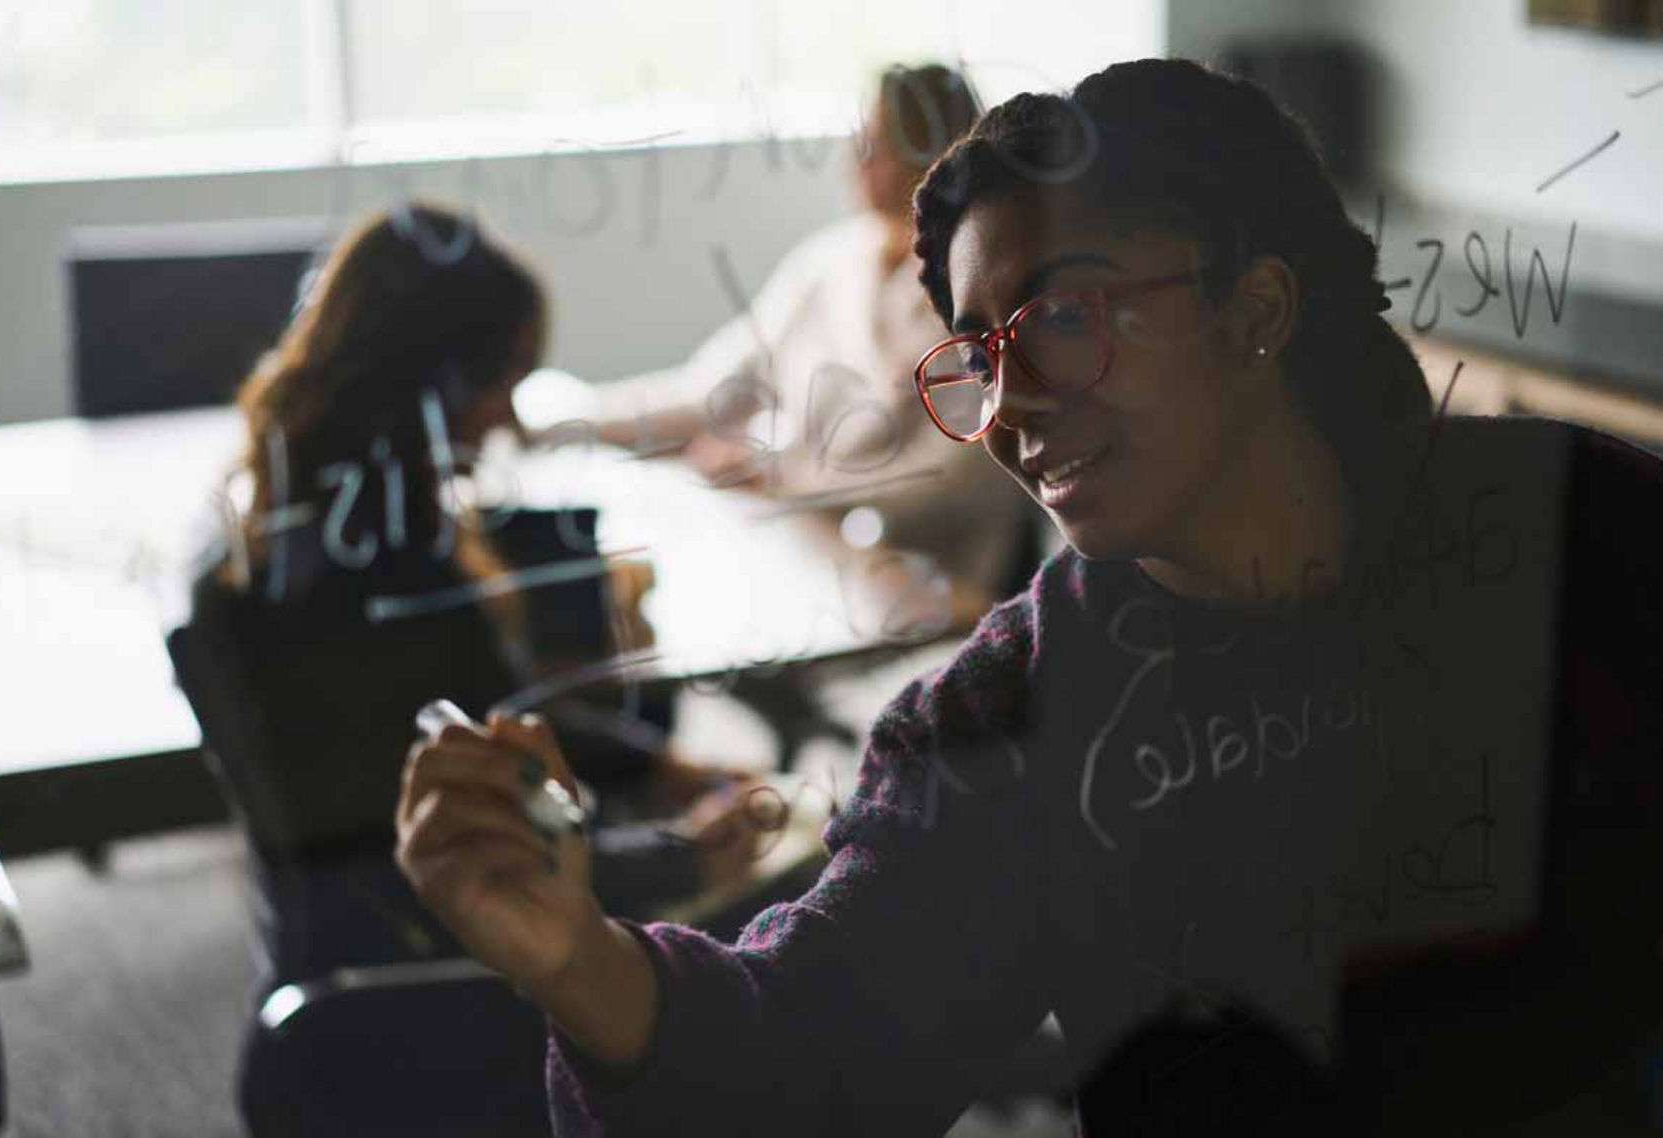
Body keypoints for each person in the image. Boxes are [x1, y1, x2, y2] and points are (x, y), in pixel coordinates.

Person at [393, 61, 1637, 1134]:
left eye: (1068, 318)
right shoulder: (1022, 704)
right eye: (981, 355)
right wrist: (580, 958)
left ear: (1253, 309)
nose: (1010, 406)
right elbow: (819, 1041)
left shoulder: (1586, 533)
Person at [191, 204, 760, 983]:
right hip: (429, 970)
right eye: (504, 381)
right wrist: (687, 856)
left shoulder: (306, 522)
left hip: (362, 929)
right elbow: (467, 867)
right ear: (433, 378)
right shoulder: (381, 584)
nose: (509, 418)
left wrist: (661, 766)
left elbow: (487, 714)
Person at [551, 63, 1034, 606]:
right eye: (860, 139)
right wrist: (567, 421)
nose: (857, 158)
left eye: (878, 142)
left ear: (938, 153)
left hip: (941, 587)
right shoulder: (829, 265)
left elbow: (955, 476)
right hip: (819, 558)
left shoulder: (979, 291)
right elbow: (712, 390)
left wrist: (784, 478)